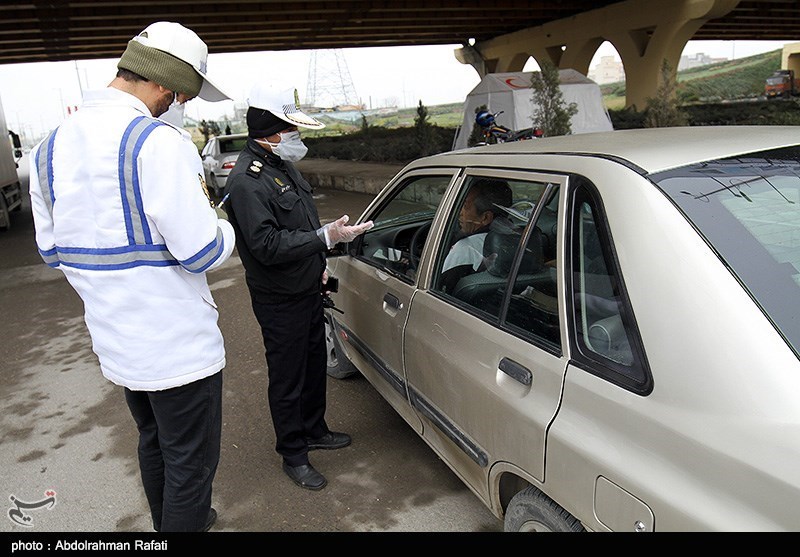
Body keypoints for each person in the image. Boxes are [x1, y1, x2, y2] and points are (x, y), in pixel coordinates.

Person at [28, 21, 235, 532]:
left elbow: (51, 253)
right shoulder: (157, 143)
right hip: (179, 350)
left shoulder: (47, 150)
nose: (181, 101)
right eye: (184, 91)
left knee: (153, 442)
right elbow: (202, 252)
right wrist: (225, 227)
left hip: (118, 344)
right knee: (191, 463)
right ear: (163, 82)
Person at [224, 83, 373, 491]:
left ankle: (314, 429)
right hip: (279, 298)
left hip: (307, 286)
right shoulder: (247, 181)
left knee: (312, 366)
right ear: (271, 134)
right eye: (292, 131)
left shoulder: (281, 166)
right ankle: (293, 452)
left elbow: (302, 224)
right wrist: (325, 239)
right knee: (288, 376)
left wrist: (319, 262)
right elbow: (267, 245)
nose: (297, 138)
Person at [440, 178, 513, 293]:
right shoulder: (521, 240)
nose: (459, 212)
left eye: (465, 206)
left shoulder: (465, 249)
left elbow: (439, 288)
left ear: (485, 218)